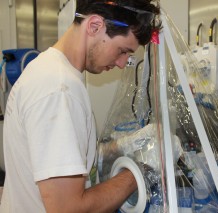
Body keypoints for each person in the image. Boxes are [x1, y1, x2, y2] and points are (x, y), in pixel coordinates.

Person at [0, 0, 161, 212]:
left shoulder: (48, 70)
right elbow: (68, 208)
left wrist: (125, 145)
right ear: (94, 25)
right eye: (123, 51)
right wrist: (143, 171)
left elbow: (68, 157)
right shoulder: (59, 89)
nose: (123, 63)